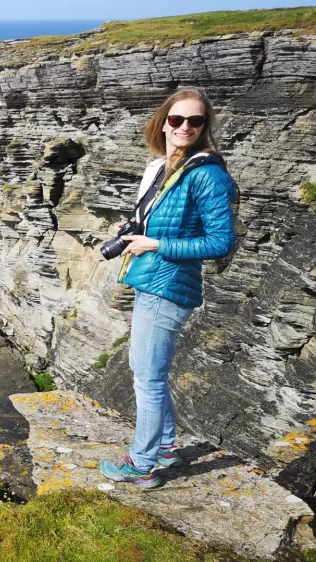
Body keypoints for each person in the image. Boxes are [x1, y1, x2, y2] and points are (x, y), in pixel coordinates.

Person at [99, 88, 238, 488]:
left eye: (195, 121)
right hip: (151, 278)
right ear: (163, 122)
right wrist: (133, 230)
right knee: (146, 372)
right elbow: (163, 219)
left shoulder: (207, 175)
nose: (185, 127)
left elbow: (221, 242)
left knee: (148, 378)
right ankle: (167, 448)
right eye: (177, 119)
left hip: (169, 285)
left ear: (204, 127)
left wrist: (157, 244)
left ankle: (142, 464)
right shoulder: (164, 167)